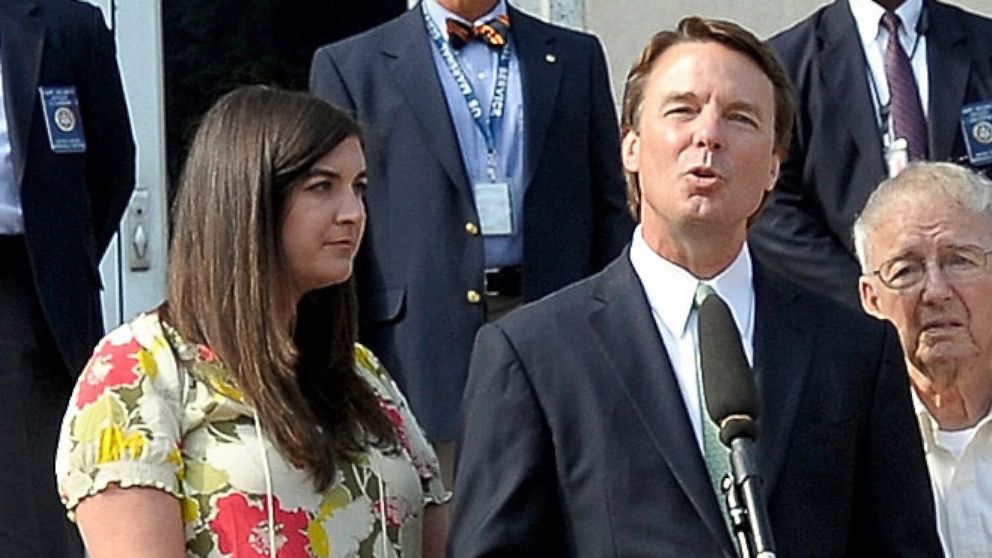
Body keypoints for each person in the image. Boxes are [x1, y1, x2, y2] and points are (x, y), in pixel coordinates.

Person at [449, 16, 942, 557]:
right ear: (630, 148)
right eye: (682, 109)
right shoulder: (533, 355)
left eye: (740, 118)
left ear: (775, 167)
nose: (708, 135)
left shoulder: (853, 351)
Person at [54, 86, 448, 558]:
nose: (353, 213)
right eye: (323, 187)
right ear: (247, 198)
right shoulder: (136, 372)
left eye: (359, 187)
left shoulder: (360, 372)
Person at [308, 0, 633, 482]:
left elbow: (610, 210)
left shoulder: (573, 54)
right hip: (417, 346)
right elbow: (334, 221)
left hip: (557, 331)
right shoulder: (353, 65)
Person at [0, 1, 135, 556]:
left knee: (37, 509)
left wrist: (61, 262)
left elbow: (113, 168)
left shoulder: (65, 26)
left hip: (26, 290)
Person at [750, 0, 992, 308]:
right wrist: (871, 294)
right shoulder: (784, 66)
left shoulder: (983, 45)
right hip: (847, 318)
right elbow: (769, 198)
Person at [855, 161, 992, 557]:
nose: (936, 291)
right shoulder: (841, 440)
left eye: (959, 261)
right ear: (871, 300)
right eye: (906, 271)